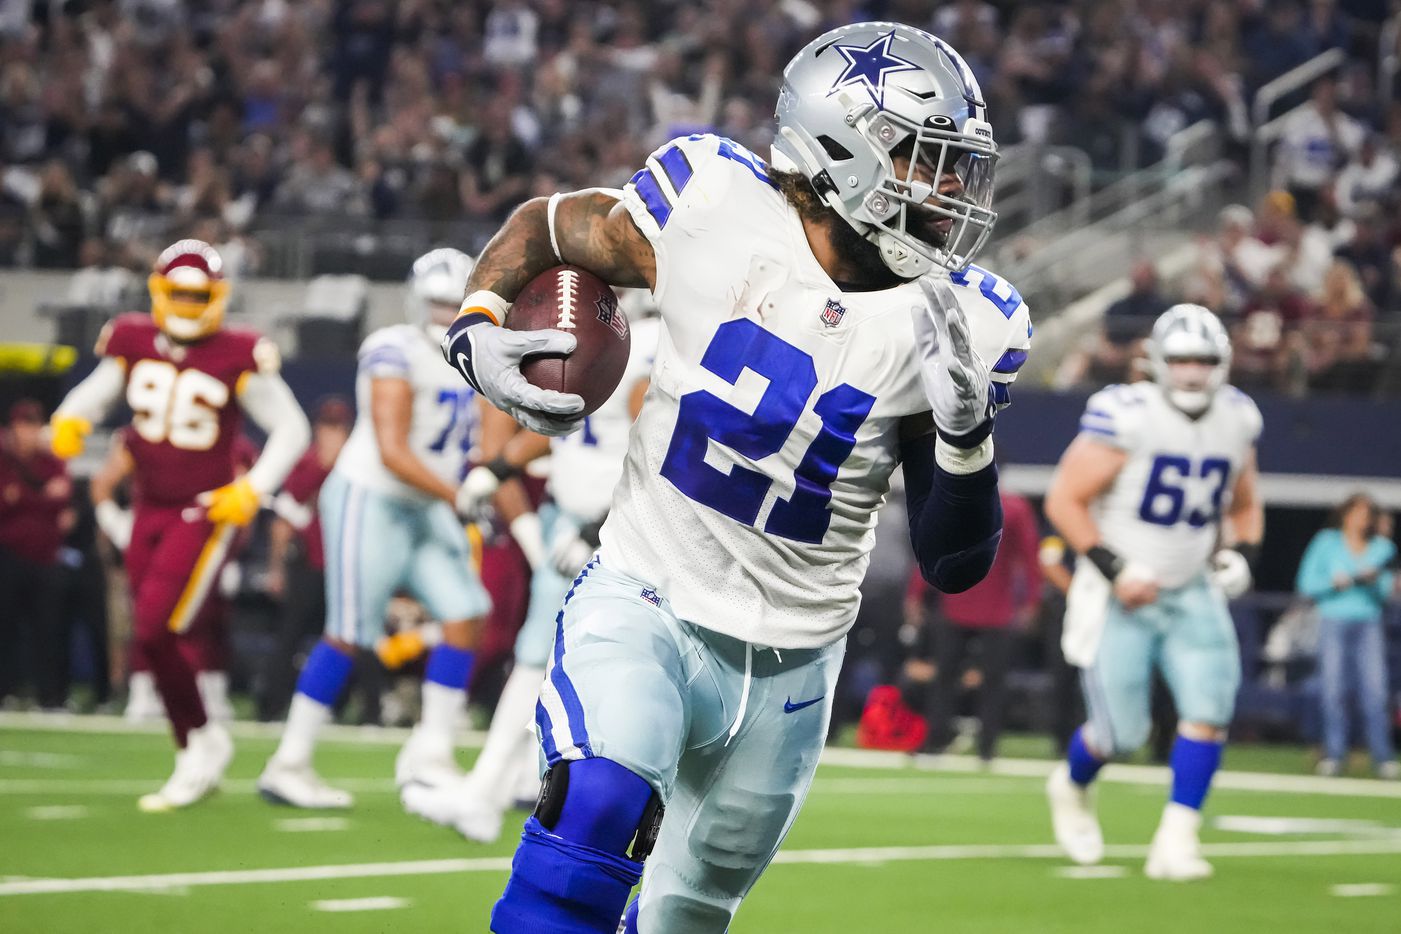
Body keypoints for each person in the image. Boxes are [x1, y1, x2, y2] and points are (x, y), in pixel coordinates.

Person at [440, 22, 1031, 931]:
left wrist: (964, 438)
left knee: (687, 916)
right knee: (595, 803)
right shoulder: (711, 204)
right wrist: (477, 321)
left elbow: (953, 564)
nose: (951, 189)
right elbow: (548, 226)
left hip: (794, 659)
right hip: (650, 593)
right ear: (839, 152)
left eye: (957, 166)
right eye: (925, 159)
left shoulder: (962, 320)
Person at [49, 239, 310, 811]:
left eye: (199, 295)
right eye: (180, 294)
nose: (189, 306)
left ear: (217, 297)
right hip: (148, 504)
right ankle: (200, 738)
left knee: (153, 628)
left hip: (203, 508)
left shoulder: (238, 350)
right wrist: (71, 416)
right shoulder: (132, 338)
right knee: (151, 635)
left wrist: (252, 488)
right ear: (159, 292)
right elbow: (100, 389)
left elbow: (292, 428)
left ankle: (198, 743)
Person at [405, 305, 661, 843]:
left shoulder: (654, 347)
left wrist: (598, 528)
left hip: (620, 529)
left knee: (601, 665)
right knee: (536, 656)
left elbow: (660, 449)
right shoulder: (611, 338)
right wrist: (498, 469)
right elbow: (564, 424)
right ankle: (493, 787)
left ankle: (512, 790)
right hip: (576, 519)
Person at [257, 248, 492, 810]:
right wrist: (459, 494)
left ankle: (431, 753)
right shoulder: (393, 347)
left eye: (451, 302)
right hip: (373, 498)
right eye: (435, 301)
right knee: (349, 632)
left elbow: (491, 430)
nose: (442, 312)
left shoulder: (481, 353)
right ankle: (289, 762)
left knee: (466, 611)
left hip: (427, 501)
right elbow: (390, 450)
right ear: (416, 300)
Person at [1043, 304, 1264, 881]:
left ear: (1223, 364)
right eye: (1183, 360)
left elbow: (1244, 503)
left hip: (1191, 586)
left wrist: (1240, 554)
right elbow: (1064, 500)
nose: (1193, 372)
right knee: (1121, 735)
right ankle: (1070, 783)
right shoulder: (1126, 414)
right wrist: (1117, 567)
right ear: (1158, 363)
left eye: (1205, 360)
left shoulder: (1238, 418)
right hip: (1120, 591)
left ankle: (1177, 838)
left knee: (1210, 710)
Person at [914, 486, 1042, 762]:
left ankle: (973, 743)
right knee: (966, 679)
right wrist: (1031, 602)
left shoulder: (960, 499)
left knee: (960, 679)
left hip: (977, 604)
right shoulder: (1011, 505)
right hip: (977, 606)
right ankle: (973, 744)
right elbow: (1030, 556)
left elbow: (930, 545)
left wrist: (1032, 601)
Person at [259, 396, 353, 721]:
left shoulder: (357, 463)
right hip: (310, 563)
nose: (331, 433)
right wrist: (276, 568)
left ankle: (343, 706)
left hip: (346, 565)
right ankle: (271, 706)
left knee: (350, 637)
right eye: (326, 426)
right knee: (290, 636)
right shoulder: (308, 462)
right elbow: (284, 517)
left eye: (337, 427)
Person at [1295, 492, 1398, 779]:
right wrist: (1333, 583)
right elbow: (1306, 583)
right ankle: (1334, 755)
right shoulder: (1326, 543)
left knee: (1375, 691)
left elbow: (1386, 592)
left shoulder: (1382, 548)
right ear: (1345, 514)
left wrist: (1374, 582)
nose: (1362, 519)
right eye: (1357, 512)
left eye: (1367, 514)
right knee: (1332, 690)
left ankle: (1383, 757)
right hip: (1333, 620)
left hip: (1368, 622)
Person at [0, 399, 74, 709]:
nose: (29, 432)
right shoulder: (5, 460)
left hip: (46, 557)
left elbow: (64, 504)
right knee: (5, 626)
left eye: (34, 425)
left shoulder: (51, 460)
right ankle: (6, 692)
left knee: (50, 628)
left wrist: (26, 499)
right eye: (24, 425)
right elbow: (7, 502)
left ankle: (52, 697)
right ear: (13, 428)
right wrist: (43, 498)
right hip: (10, 555)